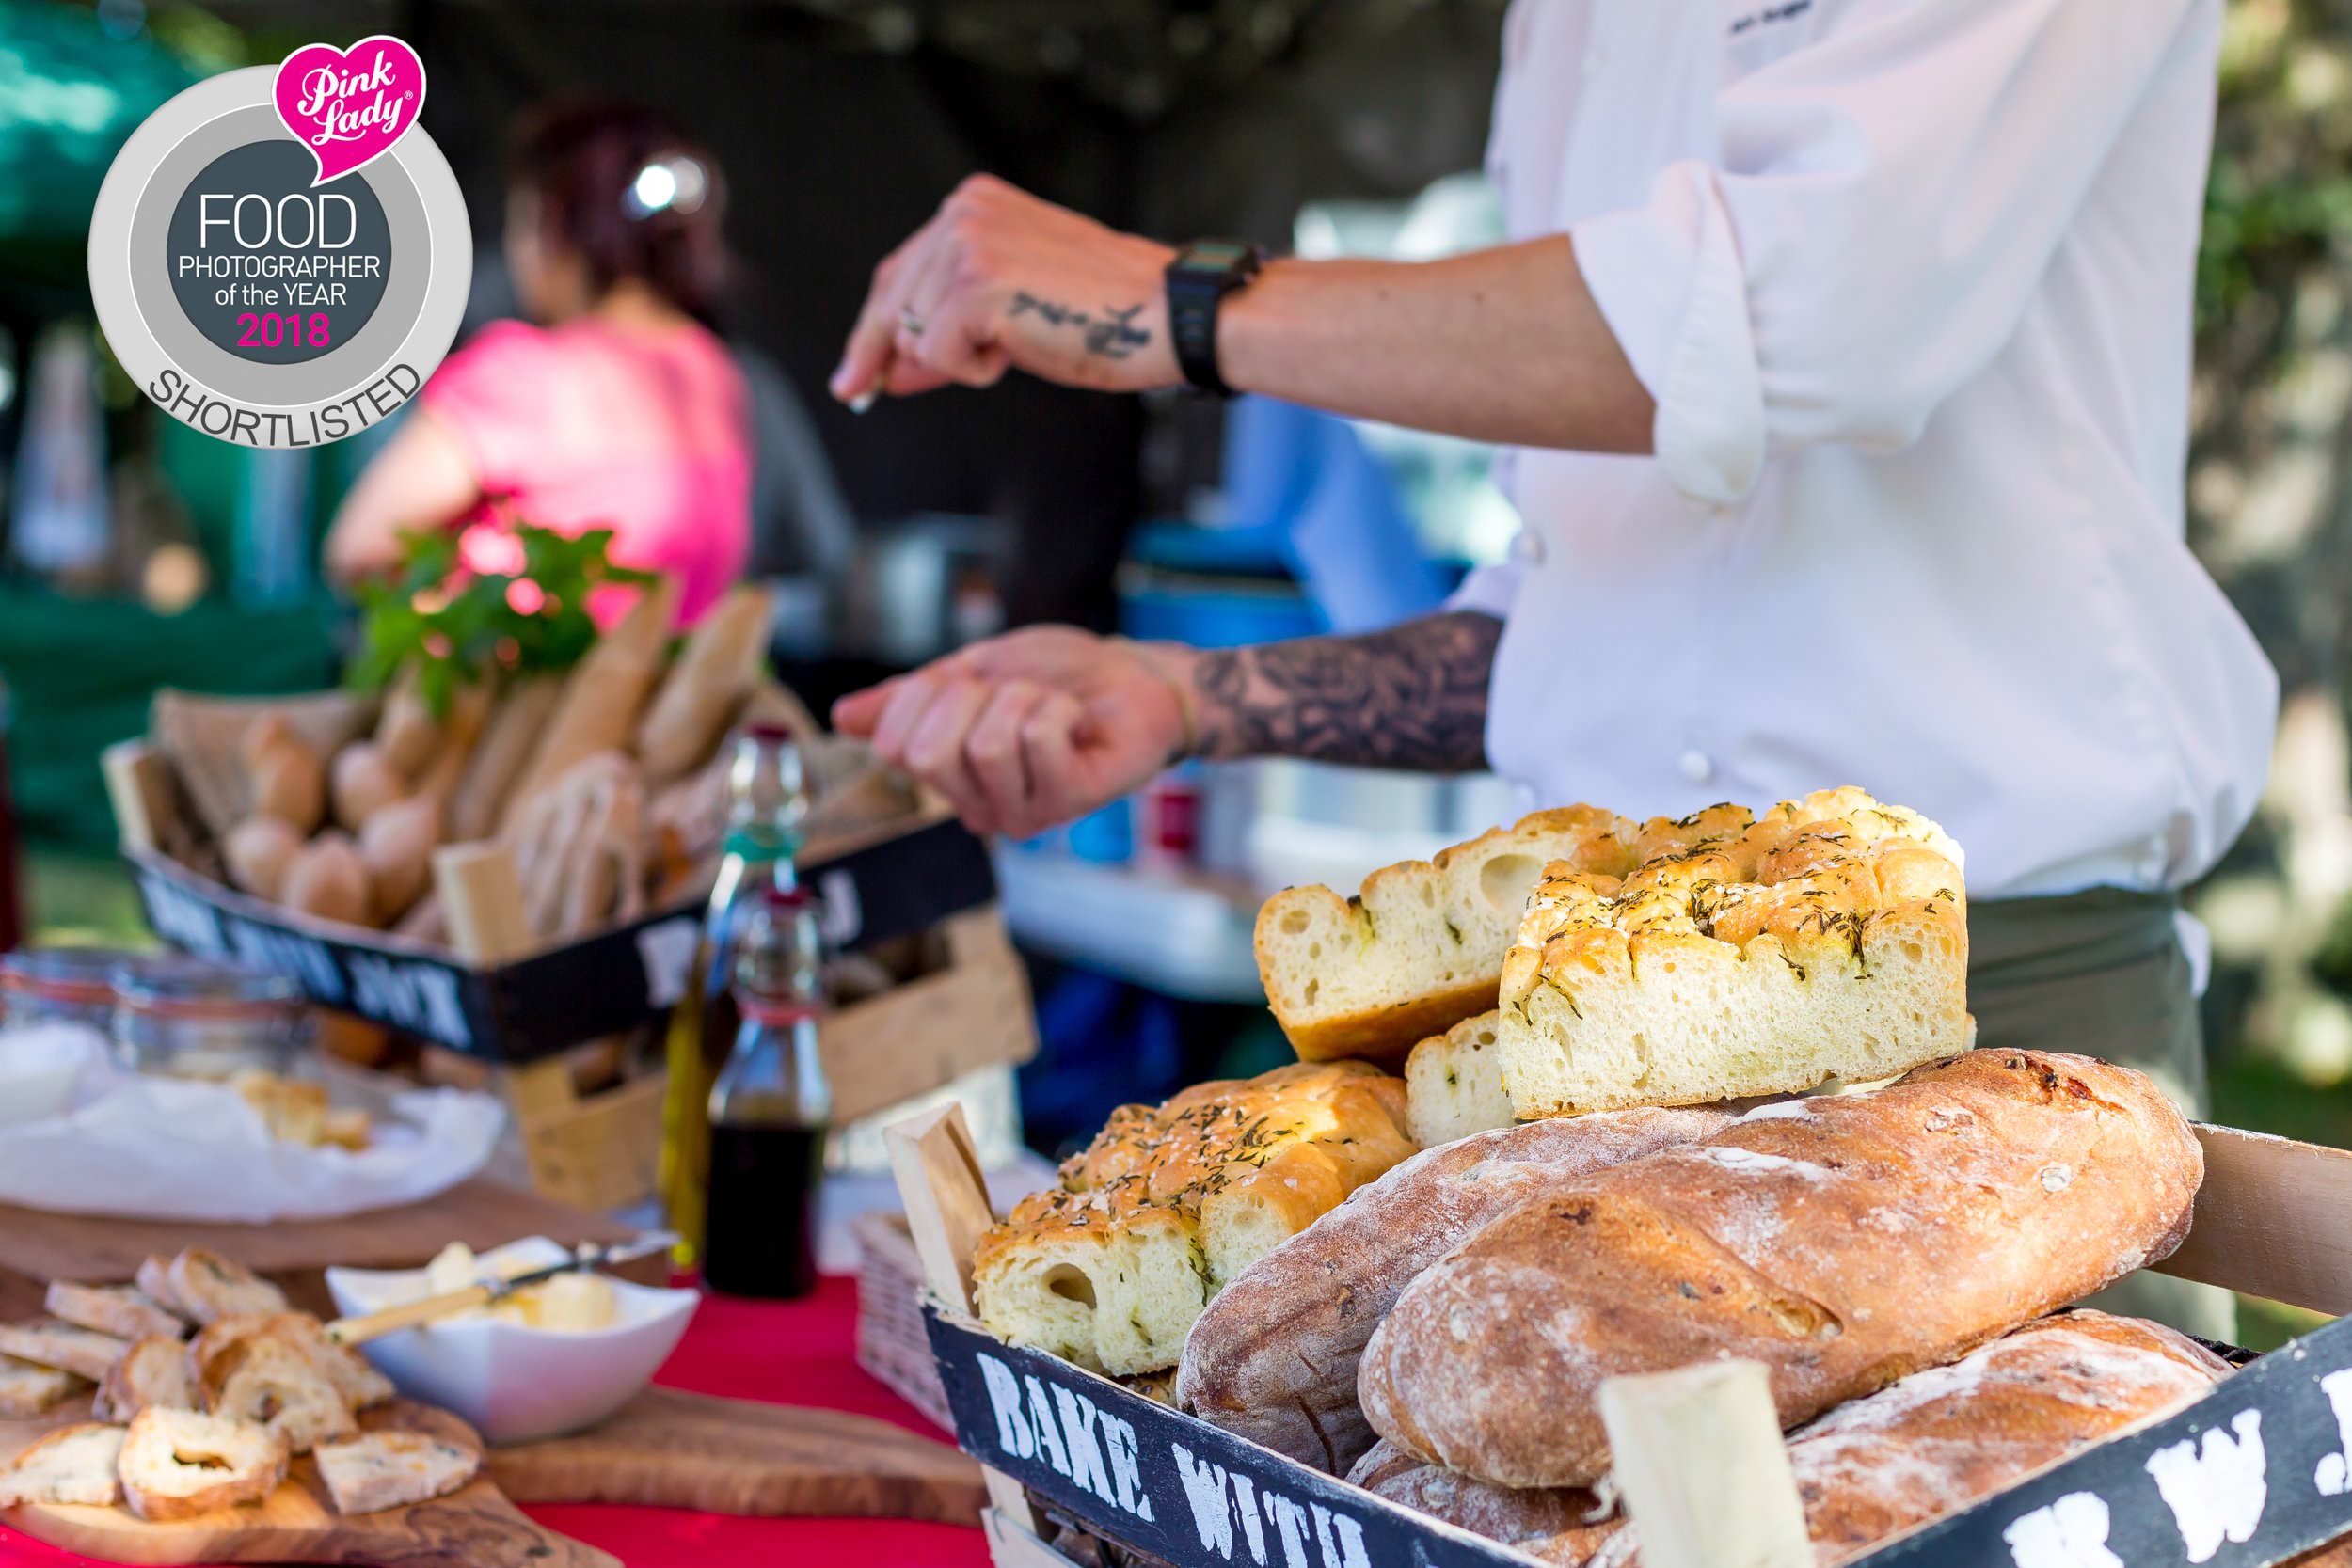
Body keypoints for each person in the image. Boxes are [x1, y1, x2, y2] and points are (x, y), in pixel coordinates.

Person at [829, 2, 2274, 1332]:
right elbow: (1582, 609)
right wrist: (1198, 696)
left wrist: (1181, 308)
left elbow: (1811, 307)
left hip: (1980, 1015)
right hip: (1583, 1034)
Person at [326, 100, 751, 626]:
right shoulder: (712, 373)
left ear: (560, 227)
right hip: (668, 701)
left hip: (524, 700)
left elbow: (356, 551)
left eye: (523, 221)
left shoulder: (520, 378)